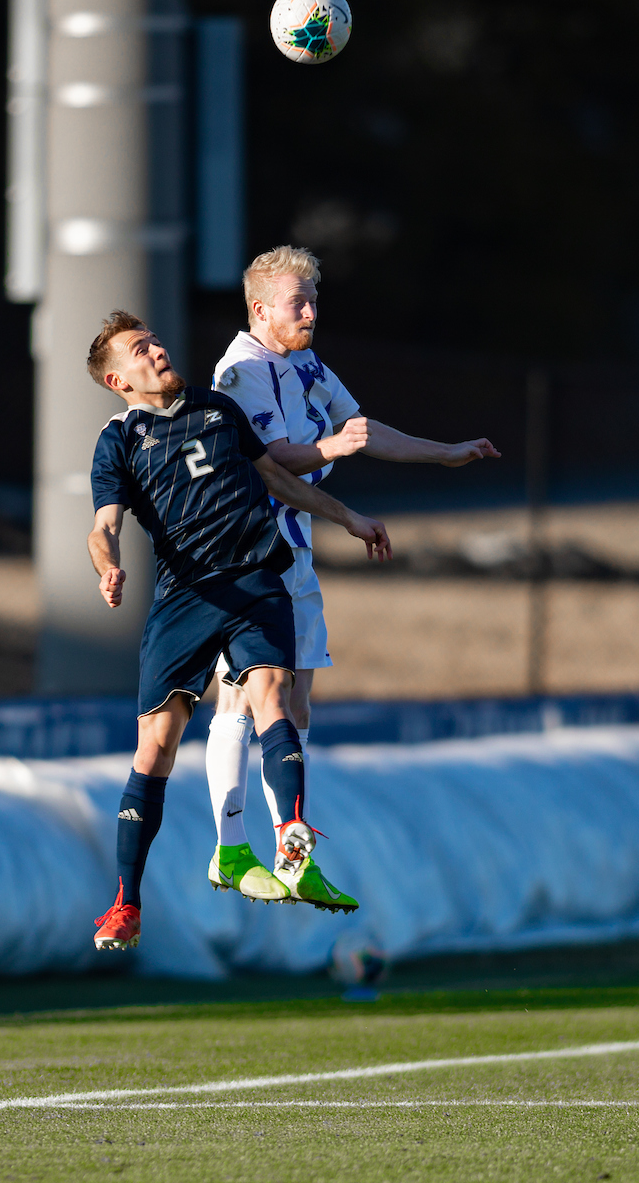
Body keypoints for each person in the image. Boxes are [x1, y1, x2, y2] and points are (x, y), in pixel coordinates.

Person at [206, 245, 501, 911]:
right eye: (296, 303)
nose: (309, 312)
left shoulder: (303, 360)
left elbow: (359, 428)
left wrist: (444, 454)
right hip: (244, 550)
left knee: (297, 703)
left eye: (313, 301)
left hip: (297, 543)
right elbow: (273, 458)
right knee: (247, 699)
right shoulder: (241, 371)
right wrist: (332, 454)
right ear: (260, 309)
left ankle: (294, 855)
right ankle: (231, 846)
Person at [87, 309, 391, 950]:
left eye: (156, 339)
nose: (158, 350)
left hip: (256, 581)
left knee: (274, 695)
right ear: (119, 379)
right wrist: (109, 565)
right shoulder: (119, 440)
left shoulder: (219, 408)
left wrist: (349, 517)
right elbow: (104, 525)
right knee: (157, 749)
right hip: (186, 597)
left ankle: (292, 835)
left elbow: (278, 478)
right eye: (141, 349)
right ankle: (125, 902)